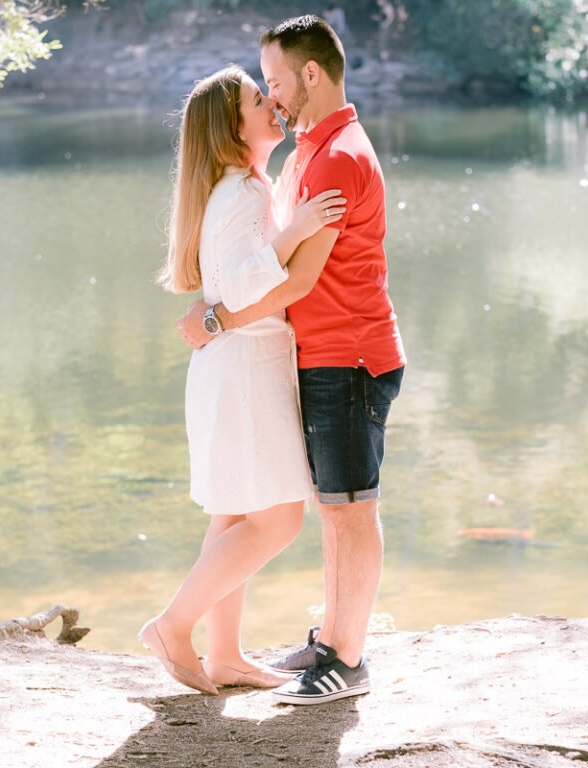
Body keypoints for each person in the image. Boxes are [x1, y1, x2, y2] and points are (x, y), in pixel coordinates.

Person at [177, 15, 406, 705]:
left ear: (312, 75)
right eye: (263, 88)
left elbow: (299, 280)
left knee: (347, 511)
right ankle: (332, 637)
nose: (272, 96)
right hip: (321, 356)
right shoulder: (310, 148)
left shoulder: (336, 156)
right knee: (332, 507)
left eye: (275, 81)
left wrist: (216, 320)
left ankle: (347, 657)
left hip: (349, 354)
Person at [138, 64, 347, 694]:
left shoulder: (239, 187)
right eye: (261, 100)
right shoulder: (245, 194)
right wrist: (297, 230)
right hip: (245, 364)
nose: (274, 107)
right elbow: (243, 285)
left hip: (233, 364)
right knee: (280, 518)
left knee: (233, 516)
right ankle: (173, 626)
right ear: (234, 127)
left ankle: (225, 654)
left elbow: (230, 286)